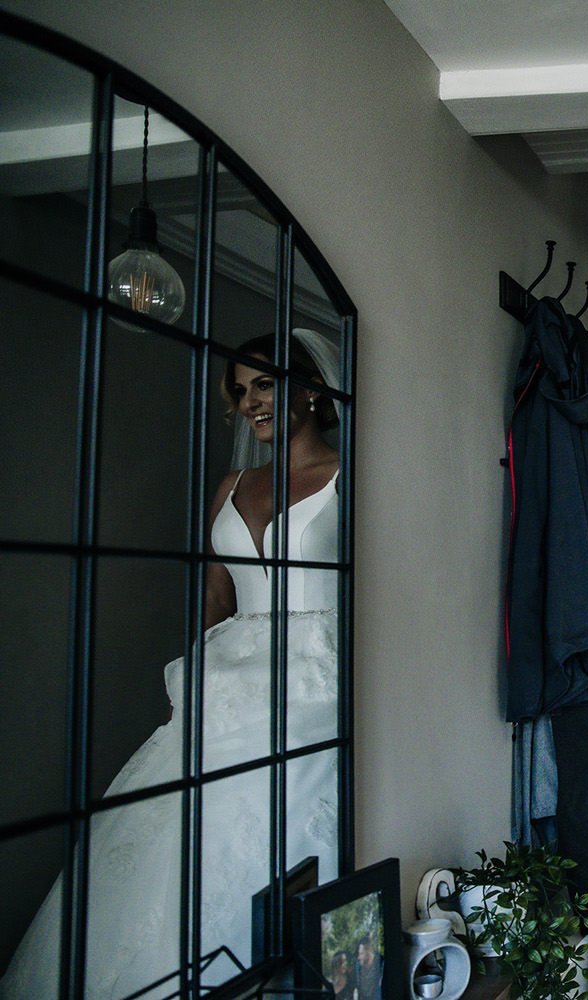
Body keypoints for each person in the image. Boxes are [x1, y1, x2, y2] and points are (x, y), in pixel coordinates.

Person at [0, 329, 343, 999]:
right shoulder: (231, 484)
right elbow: (216, 598)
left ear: (309, 387)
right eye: (239, 393)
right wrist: (192, 691)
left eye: (263, 384)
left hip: (318, 674)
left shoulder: (350, 479)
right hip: (227, 679)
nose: (249, 404)